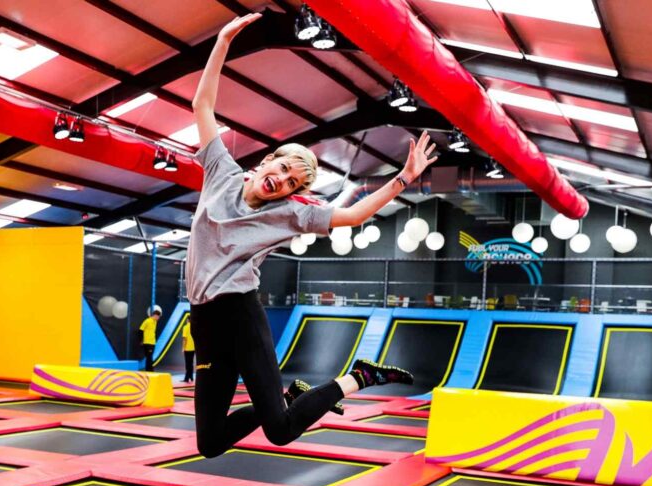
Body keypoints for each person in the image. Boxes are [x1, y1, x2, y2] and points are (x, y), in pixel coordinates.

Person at [186, 13, 437, 459]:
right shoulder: (220, 172)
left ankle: (358, 377)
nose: (281, 180)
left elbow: (355, 214)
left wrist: (402, 179)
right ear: (265, 161)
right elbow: (202, 106)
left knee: (280, 431)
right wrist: (223, 39)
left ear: (292, 193)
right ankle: (289, 396)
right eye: (280, 168)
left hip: (240, 315)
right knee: (209, 443)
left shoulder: (289, 215)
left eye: (291, 182)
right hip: (204, 321)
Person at [139, 305, 162, 371]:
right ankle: (150, 370)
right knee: (149, 357)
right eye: (158, 317)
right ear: (155, 315)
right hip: (147, 342)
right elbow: (141, 330)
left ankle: (148, 369)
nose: (158, 318)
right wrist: (141, 340)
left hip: (152, 342)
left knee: (149, 356)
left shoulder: (155, 322)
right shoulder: (147, 321)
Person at [182, 317, 195, 383]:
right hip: (193, 348)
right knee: (191, 363)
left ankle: (186, 378)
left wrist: (183, 348)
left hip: (187, 348)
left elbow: (184, 338)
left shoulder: (185, 327)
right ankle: (191, 377)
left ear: (187, 320)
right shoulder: (194, 327)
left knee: (187, 364)